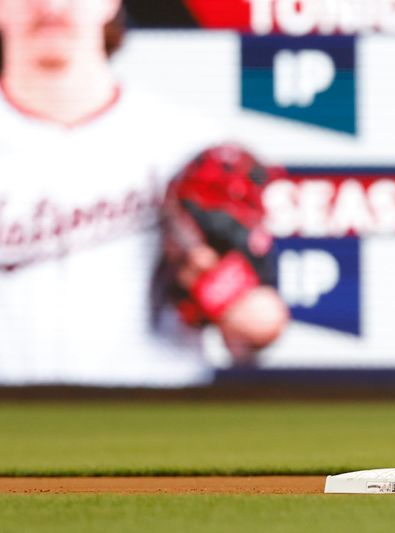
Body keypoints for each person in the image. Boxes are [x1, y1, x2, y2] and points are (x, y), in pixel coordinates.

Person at [0, 0, 287, 386]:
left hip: (153, 421)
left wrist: (218, 285)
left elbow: (260, 323)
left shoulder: (186, 143)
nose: (50, 6)